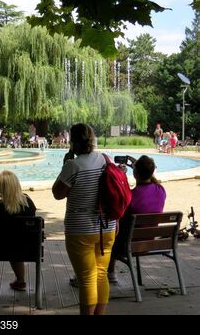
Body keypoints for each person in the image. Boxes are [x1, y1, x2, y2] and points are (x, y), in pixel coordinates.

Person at [52, 123, 116, 315]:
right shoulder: (106, 159)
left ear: (73, 142)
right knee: (101, 274)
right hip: (107, 227)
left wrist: (65, 165)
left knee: (87, 278)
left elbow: (57, 193)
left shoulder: (73, 165)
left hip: (80, 230)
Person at [107, 155, 166, 281]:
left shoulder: (131, 196)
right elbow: (153, 180)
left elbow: (119, 215)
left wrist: (120, 174)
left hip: (128, 244)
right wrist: (140, 168)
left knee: (112, 229)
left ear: (135, 173)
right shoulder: (161, 190)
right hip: (149, 241)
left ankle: (110, 272)